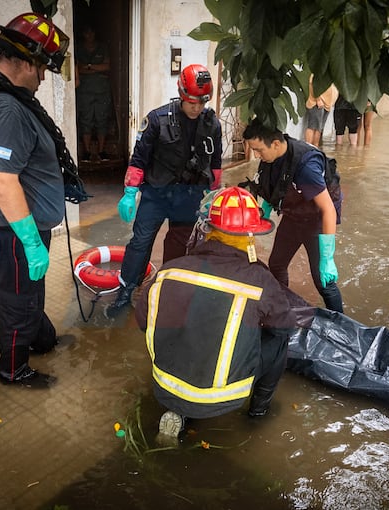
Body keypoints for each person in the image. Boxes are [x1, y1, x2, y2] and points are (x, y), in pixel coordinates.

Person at [0, 13, 70, 387]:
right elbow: (3, 181)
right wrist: (31, 241)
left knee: (26, 291)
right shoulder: (6, 108)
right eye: (41, 69)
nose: (42, 78)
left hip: (5, 227)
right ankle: (12, 369)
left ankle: (40, 339)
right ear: (23, 61)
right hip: (10, 231)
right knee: (17, 299)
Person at [135, 186, 296, 443]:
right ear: (250, 235)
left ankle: (178, 410)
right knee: (279, 342)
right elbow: (284, 327)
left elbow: (144, 322)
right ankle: (259, 411)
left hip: (163, 386)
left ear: (206, 229)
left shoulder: (169, 271)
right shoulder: (259, 280)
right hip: (222, 398)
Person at [105, 64, 223, 318]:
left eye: (202, 102)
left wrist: (213, 197)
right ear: (181, 93)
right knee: (140, 243)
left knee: (178, 247)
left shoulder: (212, 124)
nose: (196, 107)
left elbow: (215, 165)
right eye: (192, 101)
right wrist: (129, 192)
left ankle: (168, 292)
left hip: (190, 196)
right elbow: (138, 160)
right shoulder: (157, 120)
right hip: (156, 195)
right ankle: (126, 291)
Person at [241, 118, 343, 312]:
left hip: (315, 220)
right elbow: (273, 187)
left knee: (323, 281)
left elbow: (328, 209)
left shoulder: (306, 168)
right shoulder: (271, 157)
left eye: (259, 150)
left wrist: (328, 258)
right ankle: (282, 309)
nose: (256, 154)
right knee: (277, 264)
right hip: (294, 216)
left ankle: (344, 326)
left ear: (276, 143)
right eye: (253, 149)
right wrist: (264, 211)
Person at [75, 24, 113, 161]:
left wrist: (89, 66)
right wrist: (97, 68)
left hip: (102, 90)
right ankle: (86, 153)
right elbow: (78, 68)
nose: (89, 36)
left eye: (91, 32)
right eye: (86, 33)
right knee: (86, 120)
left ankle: (101, 152)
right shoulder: (78, 48)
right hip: (85, 90)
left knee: (102, 119)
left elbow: (107, 66)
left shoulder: (102, 47)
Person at [304, 75, 338, 147]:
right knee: (313, 126)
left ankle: (315, 147)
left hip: (327, 104)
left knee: (319, 128)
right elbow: (312, 83)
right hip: (317, 103)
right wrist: (318, 99)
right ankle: (308, 147)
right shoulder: (317, 72)